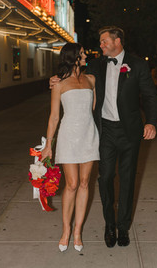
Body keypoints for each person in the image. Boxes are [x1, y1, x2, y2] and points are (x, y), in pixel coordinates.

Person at [50, 26, 157, 248]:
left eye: (104, 41)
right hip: (104, 131)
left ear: (117, 41)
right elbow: (70, 76)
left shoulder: (137, 65)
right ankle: (109, 224)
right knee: (105, 178)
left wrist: (151, 121)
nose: (100, 45)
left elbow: (149, 95)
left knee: (127, 180)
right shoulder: (95, 66)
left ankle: (123, 227)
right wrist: (53, 80)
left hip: (130, 132)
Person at [41, 43, 99, 253]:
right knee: (72, 184)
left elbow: (92, 110)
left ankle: (77, 232)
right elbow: (54, 116)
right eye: (83, 53)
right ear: (73, 57)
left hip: (89, 135)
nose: (86, 56)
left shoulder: (91, 80)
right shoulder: (58, 84)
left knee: (85, 183)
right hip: (68, 136)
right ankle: (66, 230)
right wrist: (49, 144)